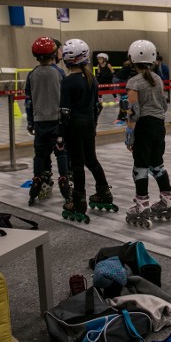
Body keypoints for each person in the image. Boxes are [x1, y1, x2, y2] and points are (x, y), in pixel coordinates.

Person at [123, 40, 171, 228]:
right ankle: (168, 199)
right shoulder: (157, 78)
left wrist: (130, 133)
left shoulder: (134, 82)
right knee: (157, 164)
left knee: (140, 166)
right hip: (158, 126)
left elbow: (134, 111)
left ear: (132, 59)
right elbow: (163, 105)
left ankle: (142, 205)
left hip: (143, 127)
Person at [59, 38, 117, 222]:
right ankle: (104, 193)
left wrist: (60, 134)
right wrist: (93, 125)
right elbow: (96, 107)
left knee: (77, 164)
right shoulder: (92, 79)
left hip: (74, 127)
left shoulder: (67, 82)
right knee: (91, 159)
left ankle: (78, 201)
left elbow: (65, 112)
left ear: (68, 60)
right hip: (89, 124)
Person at [25, 37, 71, 206]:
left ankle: (37, 180)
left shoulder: (32, 74)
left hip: (39, 122)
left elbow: (28, 101)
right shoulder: (59, 73)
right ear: (54, 53)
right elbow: (65, 98)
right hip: (56, 123)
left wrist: (30, 122)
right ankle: (64, 181)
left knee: (40, 154)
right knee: (61, 152)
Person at [95, 52, 114, 117]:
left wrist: (113, 79)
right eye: (98, 59)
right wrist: (97, 79)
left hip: (109, 79)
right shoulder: (98, 65)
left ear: (105, 59)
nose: (99, 61)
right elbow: (99, 73)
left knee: (112, 89)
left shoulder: (108, 65)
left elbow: (112, 72)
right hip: (103, 79)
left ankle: (116, 98)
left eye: (100, 59)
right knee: (100, 88)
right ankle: (100, 99)